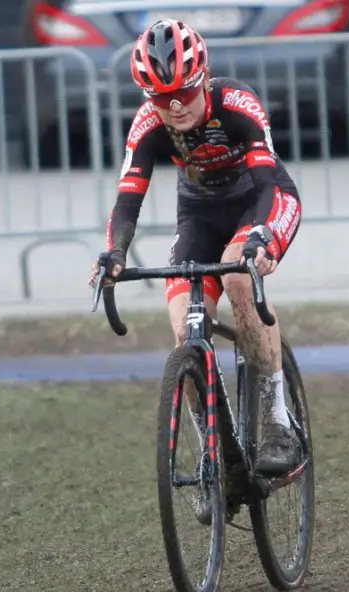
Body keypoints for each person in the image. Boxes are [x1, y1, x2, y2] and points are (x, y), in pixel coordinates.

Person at [88, 19, 303, 497]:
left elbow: (268, 183)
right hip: (201, 217)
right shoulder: (148, 123)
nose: (176, 106)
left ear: (203, 78)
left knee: (240, 279)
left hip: (261, 203)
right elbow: (128, 201)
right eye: (161, 99)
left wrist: (262, 238)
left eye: (183, 92)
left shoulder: (237, 104)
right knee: (184, 325)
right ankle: (216, 454)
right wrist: (115, 253)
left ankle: (275, 424)